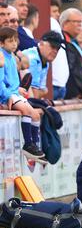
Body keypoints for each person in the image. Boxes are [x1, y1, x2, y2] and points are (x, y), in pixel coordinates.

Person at [0, 27, 44, 160]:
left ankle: (35, 146)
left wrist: (18, 88)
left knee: (36, 115)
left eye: (15, 40)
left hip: (15, 93)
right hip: (8, 95)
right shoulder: (1, 56)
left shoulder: (12, 57)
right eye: (10, 41)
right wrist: (7, 96)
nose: (14, 44)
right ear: (2, 43)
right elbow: (1, 82)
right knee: (26, 110)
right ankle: (28, 144)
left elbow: (12, 80)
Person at [60, 8, 82, 100]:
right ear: (65, 24)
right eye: (76, 21)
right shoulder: (64, 43)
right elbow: (75, 73)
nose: (80, 24)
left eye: (81, 21)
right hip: (72, 96)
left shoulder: (74, 44)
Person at [22, 31, 65, 99]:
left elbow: (38, 93)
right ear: (41, 43)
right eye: (53, 46)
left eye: (58, 48)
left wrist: (42, 92)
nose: (55, 51)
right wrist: (43, 92)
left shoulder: (45, 61)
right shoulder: (33, 59)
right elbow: (34, 95)